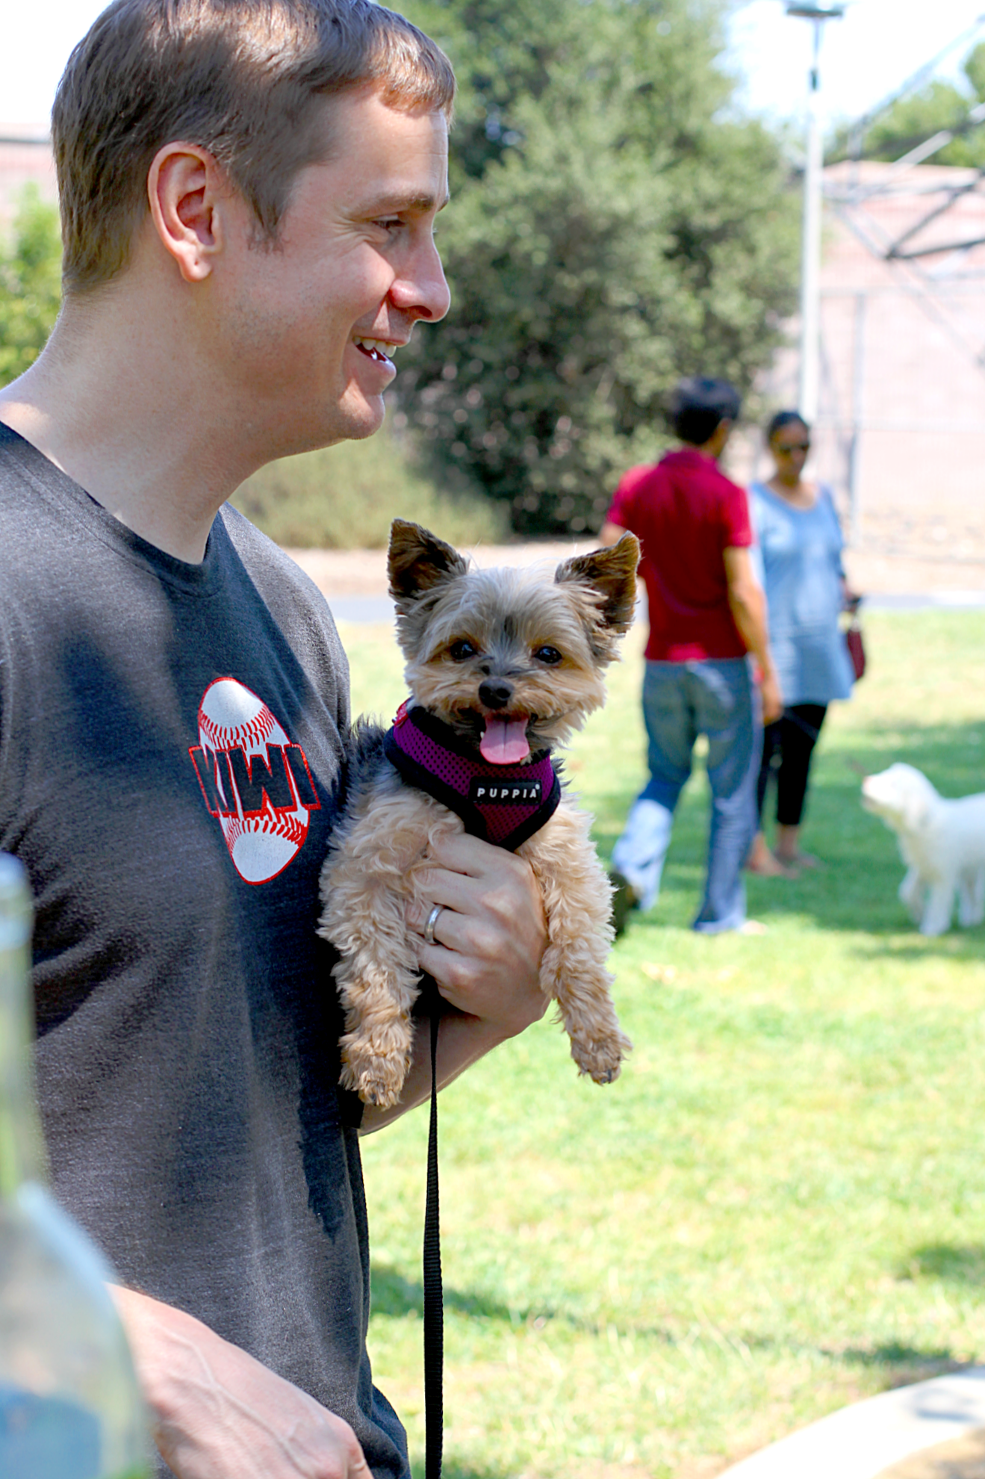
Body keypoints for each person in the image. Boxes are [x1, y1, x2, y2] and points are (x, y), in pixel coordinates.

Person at [0, 4, 549, 1477]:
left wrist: (473, 1007)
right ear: (194, 210)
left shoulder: (290, 613)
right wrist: (79, 1336)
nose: (429, 289)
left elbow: (235, 1102)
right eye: (390, 224)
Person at [600, 376, 782, 936]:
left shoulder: (637, 485)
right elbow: (743, 591)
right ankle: (720, 915)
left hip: (662, 663)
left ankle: (630, 868)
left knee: (664, 776)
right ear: (723, 429)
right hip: (724, 665)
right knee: (731, 794)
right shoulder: (727, 494)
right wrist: (769, 673)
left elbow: (607, 560)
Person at [745, 410, 855, 875]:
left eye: (804, 446)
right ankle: (756, 852)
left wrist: (846, 590)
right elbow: (748, 578)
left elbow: (834, 560)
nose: (796, 457)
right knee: (763, 756)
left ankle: (790, 845)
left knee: (803, 754)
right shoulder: (754, 501)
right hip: (776, 650)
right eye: (786, 447)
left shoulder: (824, 496)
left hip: (819, 650)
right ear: (770, 448)